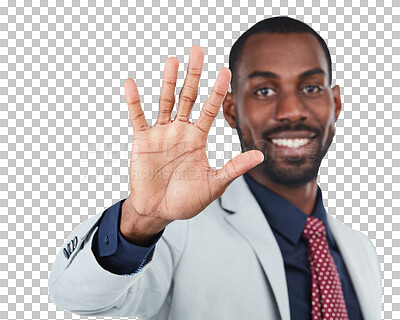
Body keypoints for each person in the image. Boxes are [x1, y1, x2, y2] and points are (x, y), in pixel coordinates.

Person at [48, 16, 382, 320]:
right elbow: (79, 297)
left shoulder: (360, 249)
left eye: (310, 88)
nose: (292, 110)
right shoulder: (178, 229)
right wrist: (141, 220)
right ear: (232, 110)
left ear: (335, 103)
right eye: (264, 90)